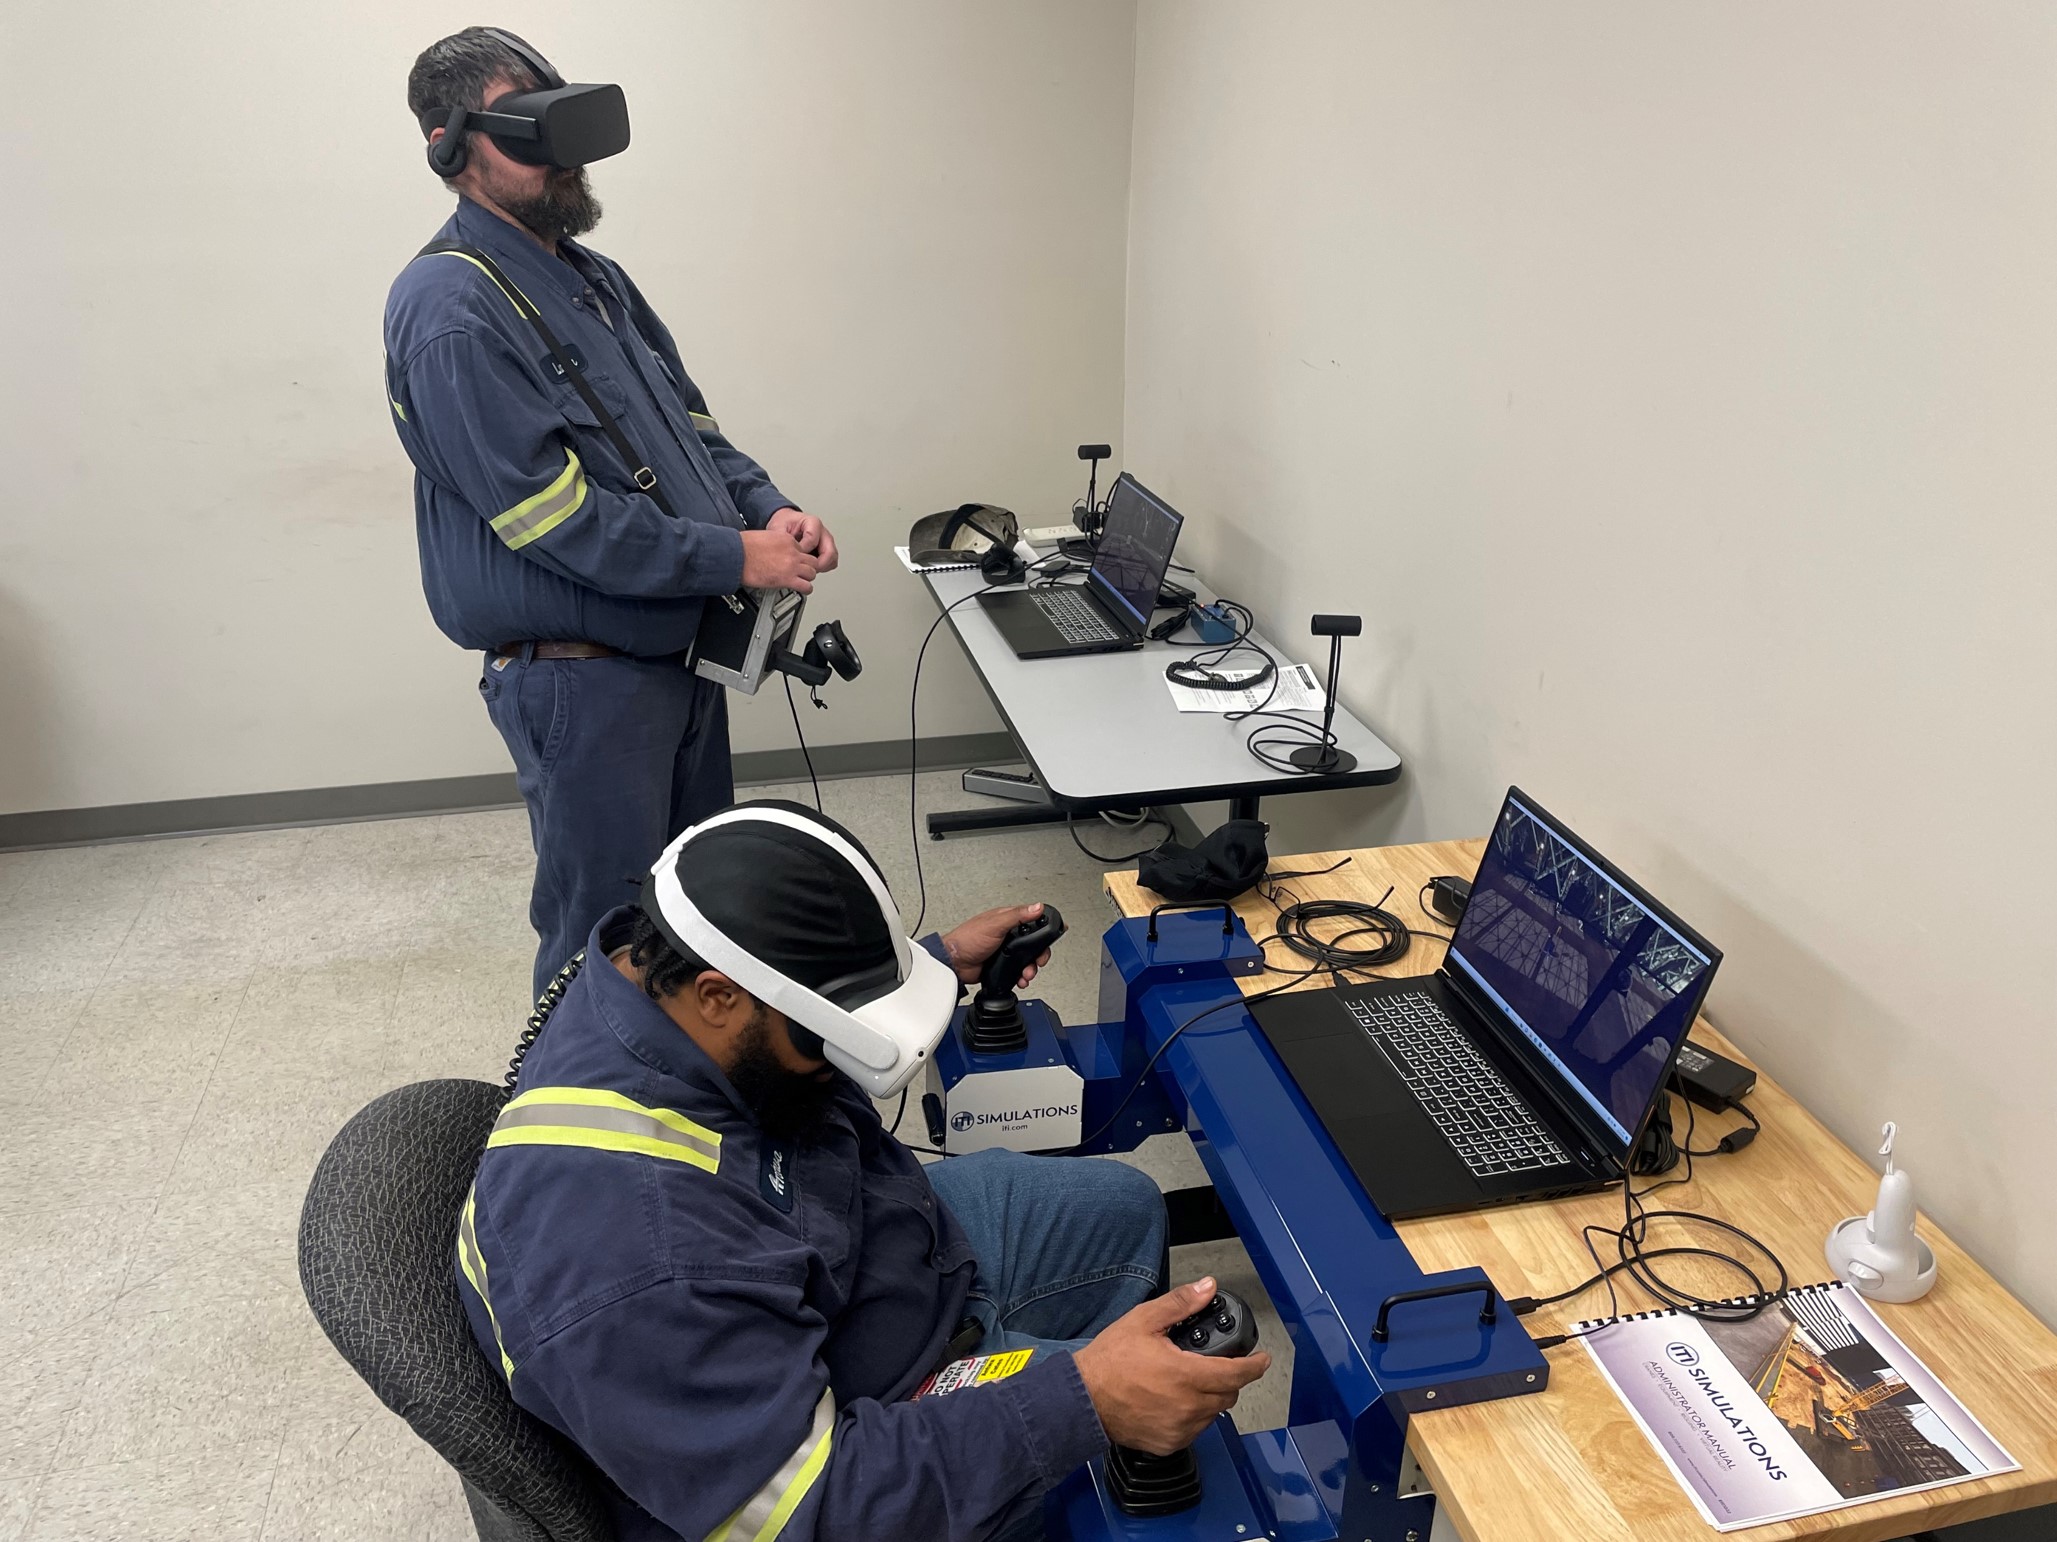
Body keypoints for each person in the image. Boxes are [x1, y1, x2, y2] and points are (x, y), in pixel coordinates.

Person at [455, 802, 1271, 1541]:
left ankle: (1113, 1407)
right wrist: (1081, 1403)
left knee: (1126, 1205)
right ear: (716, 997)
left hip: (855, 1248)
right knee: (1110, 1424)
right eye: (827, 1038)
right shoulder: (640, 1260)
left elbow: (785, 1004)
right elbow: (816, 1512)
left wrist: (923, 966)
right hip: (845, 1441)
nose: (840, 1058)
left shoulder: (644, 976)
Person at [384, 27, 837, 994]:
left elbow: (692, 429)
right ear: (449, 147)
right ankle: (580, 1094)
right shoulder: (451, 308)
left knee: (692, 922)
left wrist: (769, 510)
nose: (561, 158)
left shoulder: (593, 279)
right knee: (606, 940)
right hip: (581, 686)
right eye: (527, 132)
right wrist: (732, 559)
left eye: (563, 126)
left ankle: (678, 1088)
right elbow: (551, 519)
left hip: (674, 659)